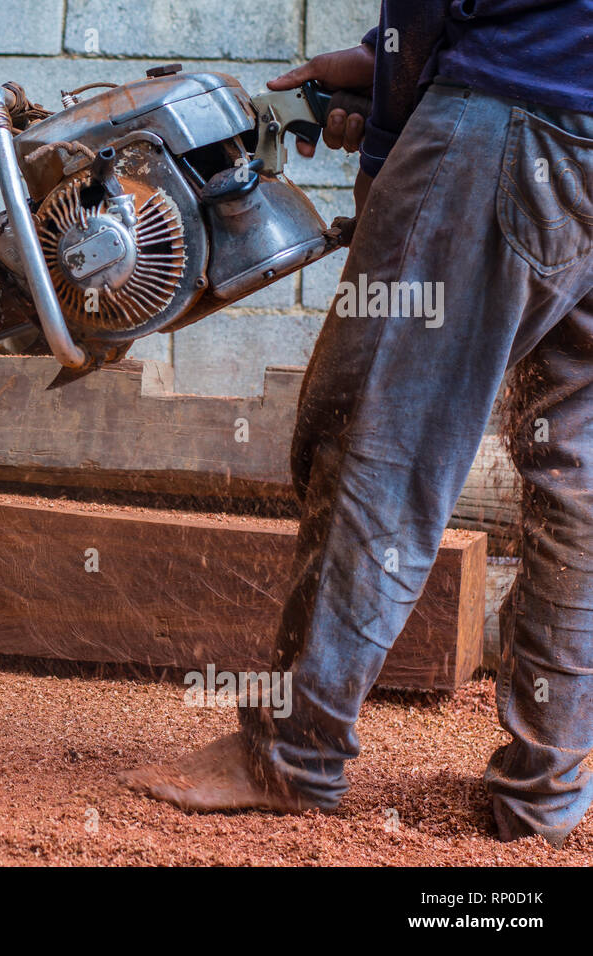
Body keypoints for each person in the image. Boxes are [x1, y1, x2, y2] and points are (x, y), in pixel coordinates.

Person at [118, 0, 593, 847]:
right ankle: (546, 789)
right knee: (579, 473)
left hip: (513, 120)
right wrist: (389, 59)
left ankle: (291, 755)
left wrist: (389, 138)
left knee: (373, 436)